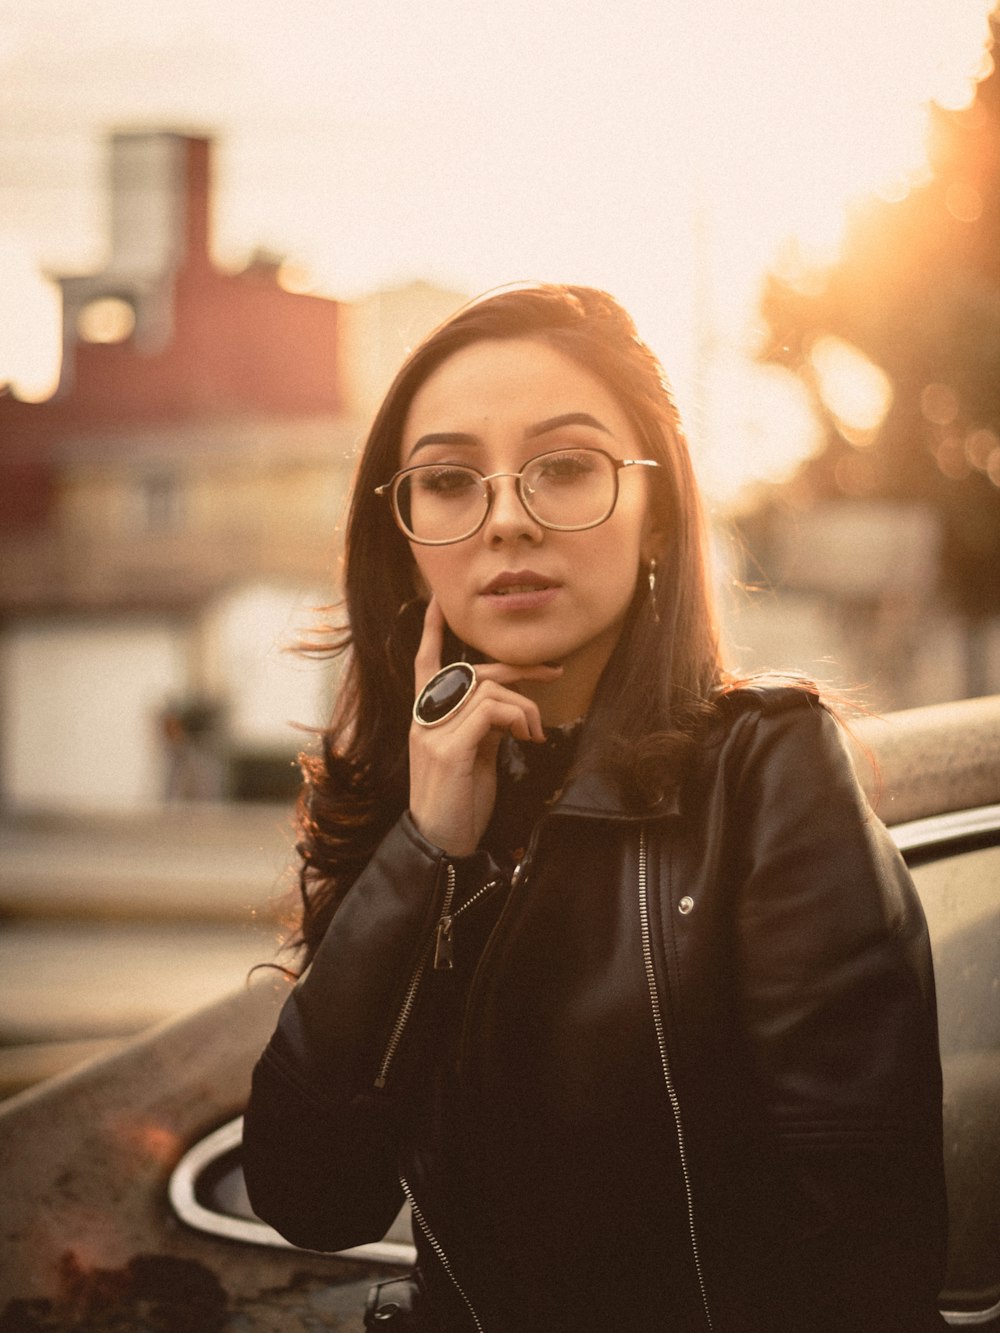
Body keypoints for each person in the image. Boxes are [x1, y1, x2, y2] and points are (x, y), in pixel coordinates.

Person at [242, 284, 949, 1331]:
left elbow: (865, 1261)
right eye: (447, 480)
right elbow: (313, 1195)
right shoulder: (408, 815)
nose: (510, 518)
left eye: (565, 466)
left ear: (657, 504)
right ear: (403, 536)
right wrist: (426, 848)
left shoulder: (766, 776)